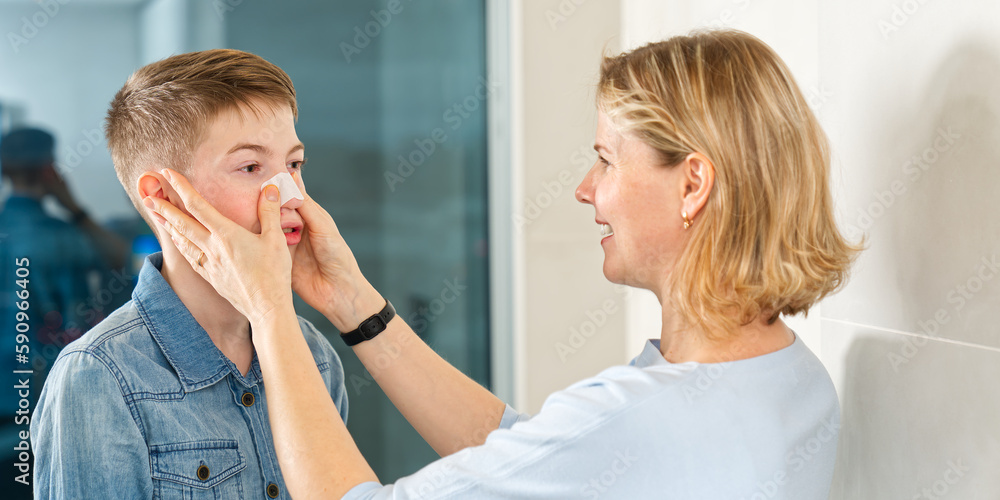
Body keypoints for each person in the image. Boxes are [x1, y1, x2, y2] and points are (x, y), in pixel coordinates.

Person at [147, 30, 861, 499]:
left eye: (606, 160)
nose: (585, 188)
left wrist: (271, 312)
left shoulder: (645, 415)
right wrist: (354, 306)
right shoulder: (791, 378)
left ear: (693, 185)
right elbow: (534, 455)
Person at [31, 49, 349, 499]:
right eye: (252, 167)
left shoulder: (315, 356)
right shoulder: (99, 376)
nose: (291, 193)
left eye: (294, 164)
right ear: (162, 197)